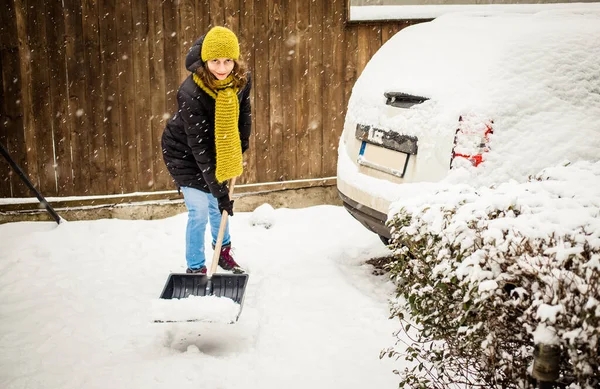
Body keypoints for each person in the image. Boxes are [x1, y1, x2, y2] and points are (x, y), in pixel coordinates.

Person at [161, 26, 251, 274]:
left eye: (227, 61)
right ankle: (196, 267)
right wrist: (220, 191)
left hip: (218, 147)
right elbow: (199, 147)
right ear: (205, 60)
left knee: (218, 206)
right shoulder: (190, 93)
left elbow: (244, 112)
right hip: (184, 153)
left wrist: (241, 143)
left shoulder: (241, 80)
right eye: (215, 61)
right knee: (201, 209)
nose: (222, 69)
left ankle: (222, 252)